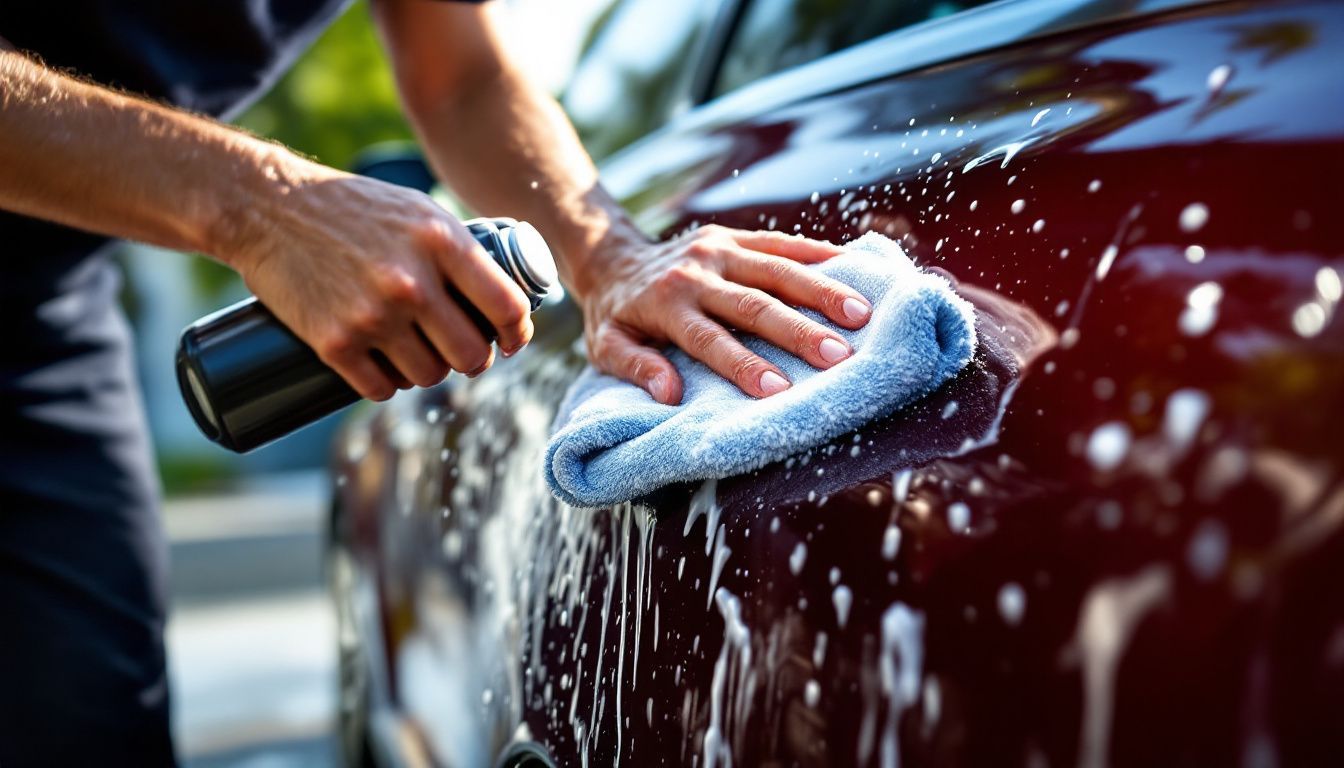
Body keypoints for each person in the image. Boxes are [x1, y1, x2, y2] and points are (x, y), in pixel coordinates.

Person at [0, 0, 873, 762]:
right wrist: (259, 205)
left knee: (86, 722)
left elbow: (463, 74)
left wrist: (608, 256)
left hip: (42, 300)